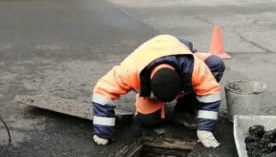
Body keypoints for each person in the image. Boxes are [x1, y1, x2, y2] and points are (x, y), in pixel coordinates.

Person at [91, 34, 225, 148]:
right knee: (148, 121)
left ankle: (185, 108)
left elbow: (210, 92)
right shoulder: (130, 71)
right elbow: (102, 92)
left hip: (177, 50)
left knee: (216, 64)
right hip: (147, 58)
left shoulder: (193, 68)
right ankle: (149, 107)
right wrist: (102, 132)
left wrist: (205, 129)